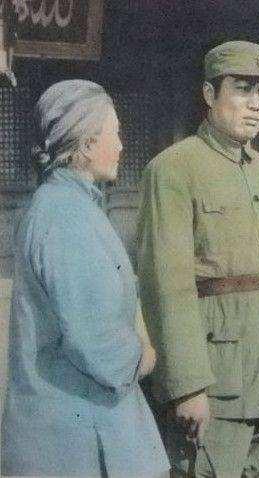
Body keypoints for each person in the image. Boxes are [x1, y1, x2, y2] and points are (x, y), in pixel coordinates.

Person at [137, 41, 259, 477]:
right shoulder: (173, 169)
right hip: (218, 386)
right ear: (209, 93)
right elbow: (166, 284)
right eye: (242, 89)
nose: (256, 104)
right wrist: (186, 386)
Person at [1, 80, 170, 477]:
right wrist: (144, 357)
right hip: (79, 443)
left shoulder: (67, 205)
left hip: (70, 434)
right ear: (88, 144)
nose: (122, 146)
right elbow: (98, 344)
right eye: (116, 134)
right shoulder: (66, 217)